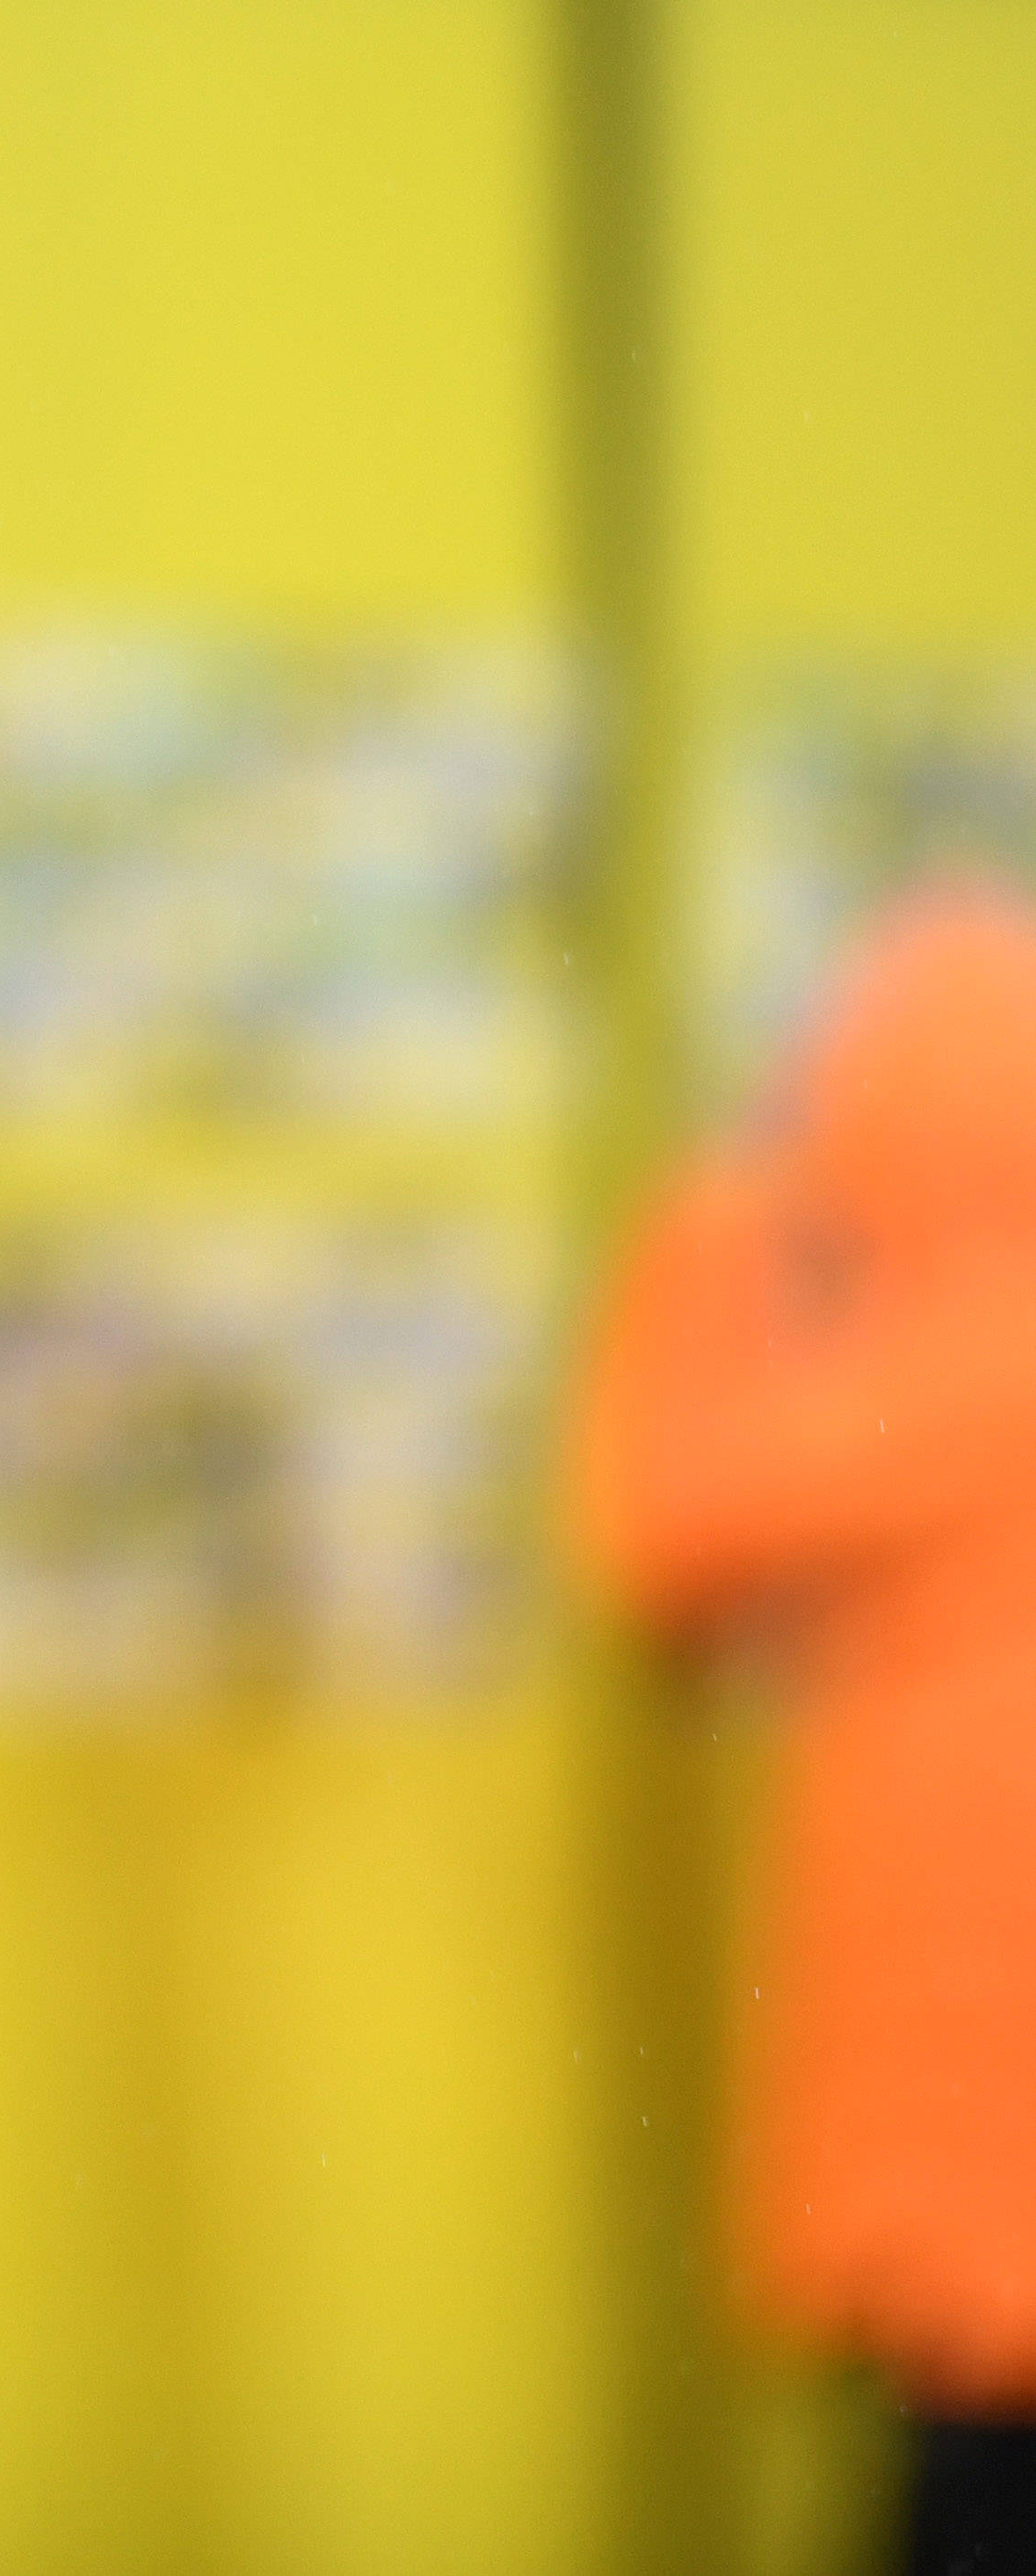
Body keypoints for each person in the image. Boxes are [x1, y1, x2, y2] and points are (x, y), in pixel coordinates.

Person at [577, 881, 1036, 2576]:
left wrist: (717, 1220)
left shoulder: (959, 1353)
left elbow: (662, 1528)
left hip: (982, 2152)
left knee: (966, 2491)